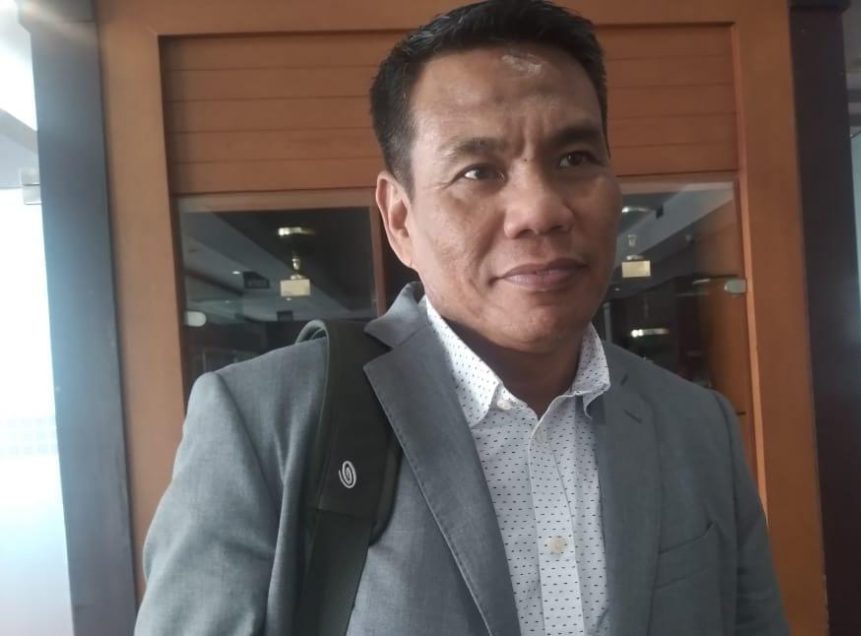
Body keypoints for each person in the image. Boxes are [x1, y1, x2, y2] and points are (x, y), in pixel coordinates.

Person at [135, 1, 789, 634]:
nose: (540, 210)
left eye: (575, 159)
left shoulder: (696, 425)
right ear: (400, 219)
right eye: (478, 171)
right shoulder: (265, 422)